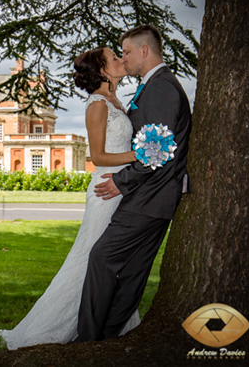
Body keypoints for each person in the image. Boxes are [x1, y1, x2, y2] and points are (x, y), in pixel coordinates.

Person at [0, 46, 140, 350]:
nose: (120, 60)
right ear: (102, 70)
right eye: (114, 58)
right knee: (90, 258)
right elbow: (97, 155)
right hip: (105, 189)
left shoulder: (116, 100)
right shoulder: (97, 105)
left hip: (121, 188)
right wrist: (141, 155)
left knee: (111, 258)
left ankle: (115, 320)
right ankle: (44, 329)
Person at [76, 24, 192, 342]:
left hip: (148, 196)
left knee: (102, 258)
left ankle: (87, 340)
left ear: (144, 51)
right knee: (132, 273)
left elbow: (158, 148)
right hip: (155, 197)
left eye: (126, 52)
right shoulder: (153, 86)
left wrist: (122, 182)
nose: (124, 59)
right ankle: (109, 336)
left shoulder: (161, 88)